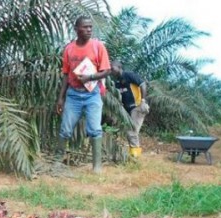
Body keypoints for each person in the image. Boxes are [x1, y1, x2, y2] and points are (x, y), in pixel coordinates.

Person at [56, 16, 111, 173]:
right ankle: (57, 162)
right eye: (85, 27)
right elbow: (66, 75)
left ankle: (97, 166)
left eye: (90, 27)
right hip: (73, 95)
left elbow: (106, 70)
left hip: (92, 94)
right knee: (65, 129)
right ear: (76, 29)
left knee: (95, 129)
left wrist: (90, 77)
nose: (89, 30)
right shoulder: (69, 49)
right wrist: (61, 98)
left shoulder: (98, 46)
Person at [110, 60, 150, 155]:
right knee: (130, 131)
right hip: (128, 110)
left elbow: (142, 84)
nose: (111, 70)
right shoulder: (117, 82)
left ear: (119, 67)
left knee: (132, 131)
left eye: (112, 68)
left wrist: (143, 101)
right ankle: (134, 152)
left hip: (138, 106)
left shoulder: (129, 75)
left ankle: (135, 155)